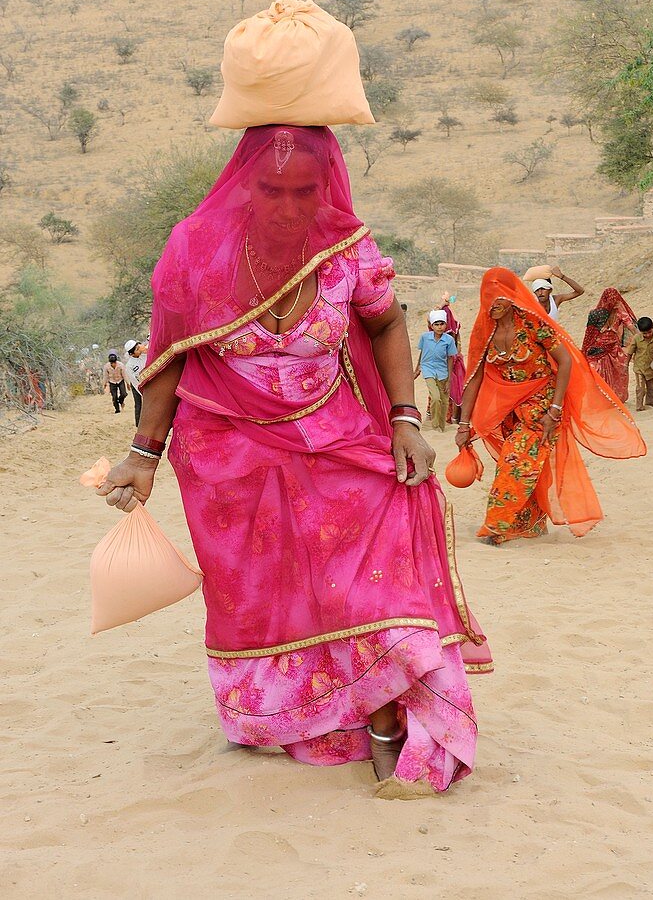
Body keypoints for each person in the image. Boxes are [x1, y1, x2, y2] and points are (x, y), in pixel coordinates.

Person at [95, 123, 492, 794]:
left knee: (385, 537)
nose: (286, 207)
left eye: (304, 191)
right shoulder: (196, 250)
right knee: (263, 593)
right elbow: (170, 354)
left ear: (327, 187)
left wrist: (404, 419)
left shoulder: (347, 251)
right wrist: (143, 453)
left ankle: (386, 715)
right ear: (243, 184)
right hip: (225, 455)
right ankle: (297, 718)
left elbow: (387, 320)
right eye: (270, 190)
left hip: (335, 435)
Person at [457, 268, 645, 546]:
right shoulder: (485, 330)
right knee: (529, 467)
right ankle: (530, 526)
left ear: (511, 296)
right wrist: (463, 424)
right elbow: (474, 379)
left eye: (498, 296)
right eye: (488, 297)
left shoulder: (533, 323)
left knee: (514, 463)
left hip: (542, 407)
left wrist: (554, 409)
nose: (492, 303)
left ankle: (496, 526)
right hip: (507, 410)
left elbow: (566, 361)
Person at [581, 288, 638, 403]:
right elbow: (589, 333)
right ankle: (602, 399)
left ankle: (614, 398)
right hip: (599, 349)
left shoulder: (618, 312)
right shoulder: (596, 314)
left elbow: (631, 326)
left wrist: (641, 339)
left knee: (619, 370)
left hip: (612, 348)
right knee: (599, 372)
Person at [414, 310, 457, 432]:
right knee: (436, 397)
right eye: (436, 324)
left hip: (442, 371)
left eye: (442, 324)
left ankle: (441, 427)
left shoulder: (449, 340)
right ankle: (434, 424)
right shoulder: (425, 337)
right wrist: (417, 369)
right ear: (432, 326)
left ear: (445, 325)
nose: (439, 327)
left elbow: (450, 359)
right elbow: (422, 353)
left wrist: (449, 378)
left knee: (444, 401)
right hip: (428, 369)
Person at [439, 293, 466, 423]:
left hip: (450, 361)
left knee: (454, 388)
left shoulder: (448, 331)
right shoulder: (453, 326)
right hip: (450, 360)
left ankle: (453, 417)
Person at [625, 317, 653, 412]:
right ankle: (639, 406)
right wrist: (626, 364)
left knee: (652, 387)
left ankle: (651, 403)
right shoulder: (636, 338)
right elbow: (630, 352)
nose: (647, 335)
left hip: (652, 369)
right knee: (640, 388)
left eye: (649, 332)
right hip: (639, 368)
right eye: (644, 333)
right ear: (640, 332)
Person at [124, 339, 148, 427]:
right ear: (131, 354)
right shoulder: (129, 366)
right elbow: (134, 381)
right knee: (138, 404)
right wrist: (143, 393)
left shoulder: (145, 354)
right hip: (137, 386)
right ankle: (139, 424)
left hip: (150, 383)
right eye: (137, 350)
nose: (139, 350)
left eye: (139, 347)